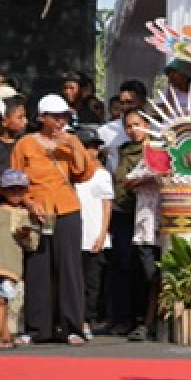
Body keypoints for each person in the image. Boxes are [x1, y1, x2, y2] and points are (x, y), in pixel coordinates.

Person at [13, 94, 91, 344]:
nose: (60, 121)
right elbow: (15, 179)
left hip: (66, 208)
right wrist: (29, 203)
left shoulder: (71, 140)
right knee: (38, 267)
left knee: (69, 268)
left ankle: (73, 327)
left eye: (63, 116)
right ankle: (38, 328)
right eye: (55, 116)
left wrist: (74, 145)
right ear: (42, 117)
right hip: (38, 210)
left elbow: (83, 173)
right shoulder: (26, 143)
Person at [115, 109, 161, 342]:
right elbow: (126, 181)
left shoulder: (161, 150)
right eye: (129, 126)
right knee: (145, 274)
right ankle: (144, 321)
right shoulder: (129, 153)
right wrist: (147, 178)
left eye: (138, 124)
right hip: (143, 222)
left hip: (168, 222)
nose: (134, 130)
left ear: (149, 125)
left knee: (157, 275)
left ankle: (153, 322)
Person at [0, 169, 39, 349]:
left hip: (11, 266)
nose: (15, 193)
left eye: (20, 189)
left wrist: (26, 235)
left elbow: (33, 244)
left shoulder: (27, 215)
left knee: (3, 301)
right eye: (11, 189)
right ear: (3, 190)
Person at [73, 126, 112, 339]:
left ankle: (87, 320)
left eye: (94, 147)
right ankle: (72, 320)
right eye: (86, 146)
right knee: (72, 281)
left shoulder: (102, 175)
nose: (91, 151)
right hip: (73, 235)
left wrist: (103, 234)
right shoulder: (70, 173)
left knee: (92, 283)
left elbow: (107, 205)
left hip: (94, 235)